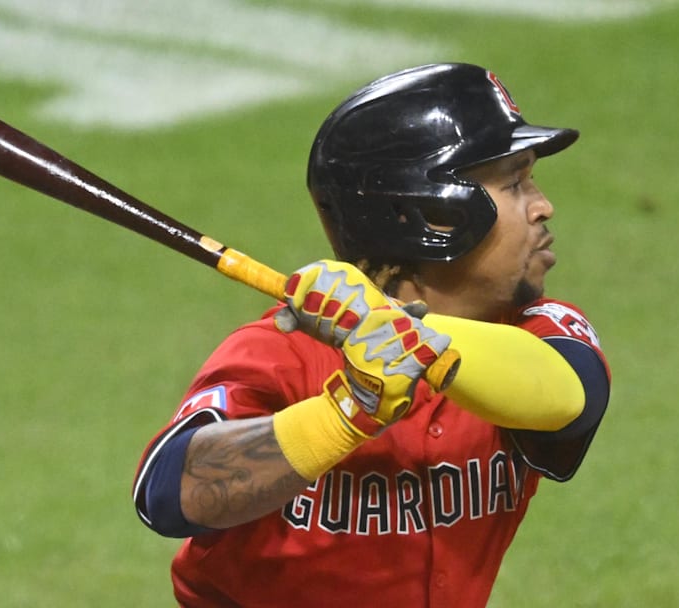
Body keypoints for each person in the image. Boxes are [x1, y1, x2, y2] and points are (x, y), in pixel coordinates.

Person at [132, 63, 611, 607]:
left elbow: (571, 396)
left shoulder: (529, 337)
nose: (543, 205)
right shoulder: (284, 354)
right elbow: (170, 491)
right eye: (515, 182)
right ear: (435, 213)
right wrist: (344, 414)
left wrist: (400, 333)